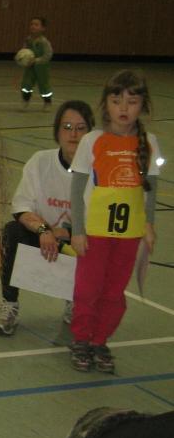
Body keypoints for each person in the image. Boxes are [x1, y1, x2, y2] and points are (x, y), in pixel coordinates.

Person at [68, 70, 160, 375]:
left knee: (114, 291)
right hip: (95, 232)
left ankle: (99, 340)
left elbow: (151, 189)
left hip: (129, 233)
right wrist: (78, 230)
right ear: (105, 104)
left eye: (132, 102)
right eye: (116, 100)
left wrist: (149, 224)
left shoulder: (150, 142)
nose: (124, 108)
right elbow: (77, 188)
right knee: (88, 289)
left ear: (143, 105)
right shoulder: (92, 140)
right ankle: (81, 339)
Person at [0, 100, 95, 336]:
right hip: (43, 241)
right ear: (57, 131)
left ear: (90, 134)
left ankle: (77, 300)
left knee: (99, 244)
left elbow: (98, 222)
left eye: (81, 128)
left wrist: (65, 233)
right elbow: (21, 208)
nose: (73, 134)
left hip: (77, 244)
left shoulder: (98, 171)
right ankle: (9, 303)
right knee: (12, 232)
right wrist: (43, 230)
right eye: (67, 127)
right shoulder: (40, 162)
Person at [20, 16, 53, 109]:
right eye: (32, 24)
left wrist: (36, 60)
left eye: (36, 24)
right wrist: (21, 57)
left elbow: (48, 55)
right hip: (30, 67)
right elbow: (24, 51)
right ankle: (25, 100)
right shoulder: (28, 39)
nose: (33, 26)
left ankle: (47, 102)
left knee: (44, 85)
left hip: (42, 68)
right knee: (26, 84)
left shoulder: (44, 42)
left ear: (43, 28)